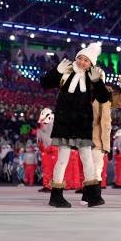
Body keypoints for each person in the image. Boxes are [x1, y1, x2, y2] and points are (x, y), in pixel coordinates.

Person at [40, 43, 110, 207]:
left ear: (91, 63)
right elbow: (45, 83)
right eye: (80, 58)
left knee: (87, 159)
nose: (82, 62)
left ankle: (92, 195)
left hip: (82, 124)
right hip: (64, 123)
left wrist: (98, 82)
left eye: (86, 60)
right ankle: (56, 196)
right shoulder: (66, 72)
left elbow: (104, 98)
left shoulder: (92, 78)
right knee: (62, 160)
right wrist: (56, 71)